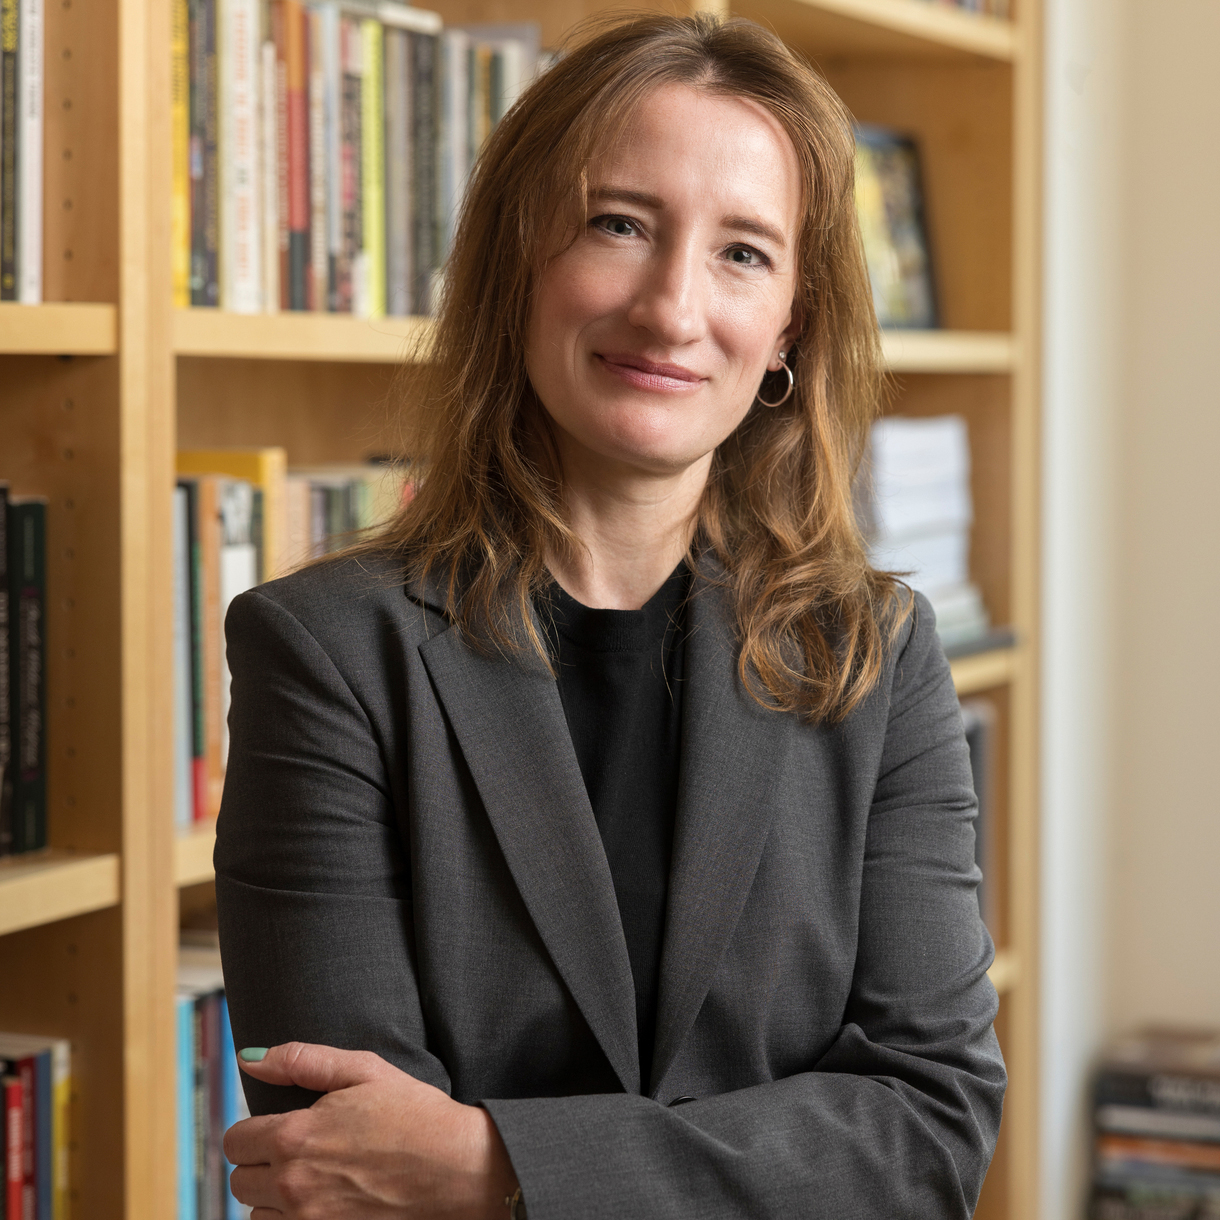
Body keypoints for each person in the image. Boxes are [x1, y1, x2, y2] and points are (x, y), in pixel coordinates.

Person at [215, 12, 1006, 1219]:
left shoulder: (876, 656)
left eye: (742, 252)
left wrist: (498, 1167)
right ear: (520, 259)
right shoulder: (326, 652)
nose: (671, 308)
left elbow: (929, 1129)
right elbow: (343, 1168)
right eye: (619, 224)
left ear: (789, 326)